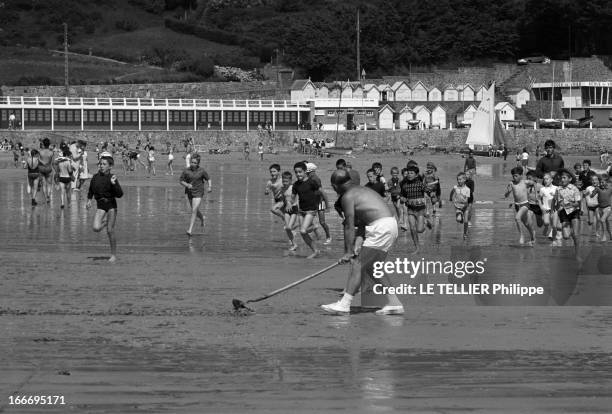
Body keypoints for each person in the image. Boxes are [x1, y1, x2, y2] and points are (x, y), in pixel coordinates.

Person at [320, 169, 404, 315]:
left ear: (335, 186)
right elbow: (364, 222)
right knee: (372, 268)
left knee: (357, 264)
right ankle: (394, 303)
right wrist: (357, 245)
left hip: (380, 227)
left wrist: (348, 252)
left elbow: (349, 225)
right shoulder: (362, 190)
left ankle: (344, 304)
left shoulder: (347, 196)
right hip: (389, 224)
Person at [86, 153, 123, 263]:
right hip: (100, 206)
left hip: (111, 205)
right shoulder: (95, 177)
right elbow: (91, 190)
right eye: (100, 164)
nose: (101, 166)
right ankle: (107, 221)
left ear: (110, 166)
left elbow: (120, 194)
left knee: (110, 231)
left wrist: (114, 184)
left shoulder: (112, 177)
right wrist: (89, 200)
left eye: (104, 164)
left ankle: (113, 255)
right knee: (96, 228)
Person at [291, 162, 322, 259]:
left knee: (303, 231)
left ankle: (315, 227)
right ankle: (315, 250)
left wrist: (319, 206)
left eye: (300, 172)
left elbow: (320, 193)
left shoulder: (312, 182)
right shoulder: (296, 185)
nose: (298, 174)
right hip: (301, 211)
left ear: (305, 171)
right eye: (296, 172)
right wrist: (291, 203)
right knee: (302, 232)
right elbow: (292, 197)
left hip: (311, 210)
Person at [400, 165, 432, 253]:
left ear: (416, 175)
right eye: (408, 173)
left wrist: (431, 194)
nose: (409, 175)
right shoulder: (405, 186)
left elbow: (428, 191)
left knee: (419, 230)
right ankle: (417, 248)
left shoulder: (420, 184)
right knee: (412, 228)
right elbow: (402, 196)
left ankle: (425, 223)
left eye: (411, 173)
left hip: (420, 210)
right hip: (410, 210)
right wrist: (402, 199)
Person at [179, 153, 212, 237]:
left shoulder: (202, 170)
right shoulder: (186, 171)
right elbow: (181, 181)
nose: (193, 164)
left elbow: (208, 178)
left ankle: (190, 230)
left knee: (194, 210)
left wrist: (210, 186)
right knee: (195, 211)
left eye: (195, 163)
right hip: (190, 192)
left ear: (198, 163)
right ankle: (202, 218)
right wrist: (187, 185)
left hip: (199, 192)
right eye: (192, 162)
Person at [504, 166, 535, 246]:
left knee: (517, 218)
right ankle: (533, 238)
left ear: (521, 175)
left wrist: (531, 182)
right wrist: (508, 191)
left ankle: (521, 236)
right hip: (517, 206)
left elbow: (534, 182)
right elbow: (506, 195)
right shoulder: (511, 184)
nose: (514, 177)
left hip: (525, 204)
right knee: (527, 224)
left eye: (516, 176)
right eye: (513, 176)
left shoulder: (524, 182)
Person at [553, 169, 581, 253]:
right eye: (561, 178)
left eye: (564, 178)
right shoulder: (558, 189)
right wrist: (556, 211)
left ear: (570, 179)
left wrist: (569, 205)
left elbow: (577, 203)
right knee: (566, 236)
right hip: (563, 213)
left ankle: (577, 251)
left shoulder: (574, 188)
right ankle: (572, 231)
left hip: (574, 212)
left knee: (575, 234)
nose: (562, 179)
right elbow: (559, 202)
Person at [305, 162, 332, 245]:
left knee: (322, 222)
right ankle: (317, 235)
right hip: (312, 202)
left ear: (309, 171)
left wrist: (327, 206)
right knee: (309, 220)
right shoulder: (309, 178)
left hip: (319, 202)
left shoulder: (315, 179)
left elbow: (322, 192)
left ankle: (328, 236)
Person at [280, 171, 299, 251]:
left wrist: (293, 204)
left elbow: (298, 198)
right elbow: (284, 199)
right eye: (283, 181)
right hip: (286, 210)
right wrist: (283, 207)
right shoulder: (282, 189)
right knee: (287, 228)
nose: (284, 183)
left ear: (290, 181)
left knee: (289, 227)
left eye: (286, 181)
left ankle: (299, 225)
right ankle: (294, 244)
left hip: (294, 209)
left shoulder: (293, 188)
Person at [450, 172, 471, 239]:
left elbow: (466, 200)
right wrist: (450, 197)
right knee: (458, 219)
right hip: (458, 207)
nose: (458, 181)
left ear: (464, 180)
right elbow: (452, 192)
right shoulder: (455, 187)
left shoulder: (467, 189)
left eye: (460, 179)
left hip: (465, 207)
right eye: (458, 179)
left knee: (466, 221)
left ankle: (465, 234)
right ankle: (460, 217)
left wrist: (462, 199)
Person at [538, 173, 559, 241]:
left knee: (554, 225)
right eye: (544, 179)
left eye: (547, 179)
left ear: (551, 180)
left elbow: (560, 199)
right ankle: (546, 228)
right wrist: (541, 207)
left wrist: (555, 196)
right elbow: (538, 199)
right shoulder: (542, 189)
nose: (545, 180)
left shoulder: (556, 188)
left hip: (554, 209)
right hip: (546, 209)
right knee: (546, 223)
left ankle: (553, 237)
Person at [594, 174, 612, 242]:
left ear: (606, 182)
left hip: (608, 208)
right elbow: (592, 195)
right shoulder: (598, 189)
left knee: (602, 220)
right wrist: (595, 189)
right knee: (607, 223)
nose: (601, 184)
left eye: (602, 182)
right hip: (600, 208)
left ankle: (604, 236)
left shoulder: (610, 189)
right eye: (600, 182)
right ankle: (611, 235)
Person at [38, 137, 55, 204]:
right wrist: (56, 171)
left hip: (42, 168)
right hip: (49, 169)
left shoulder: (40, 152)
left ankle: (46, 197)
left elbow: (38, 160)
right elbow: (53, 162)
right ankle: (48, 196)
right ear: (49, 144)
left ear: (43, 144)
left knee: (44, 184)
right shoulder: (51, 152)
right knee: (49, 184)